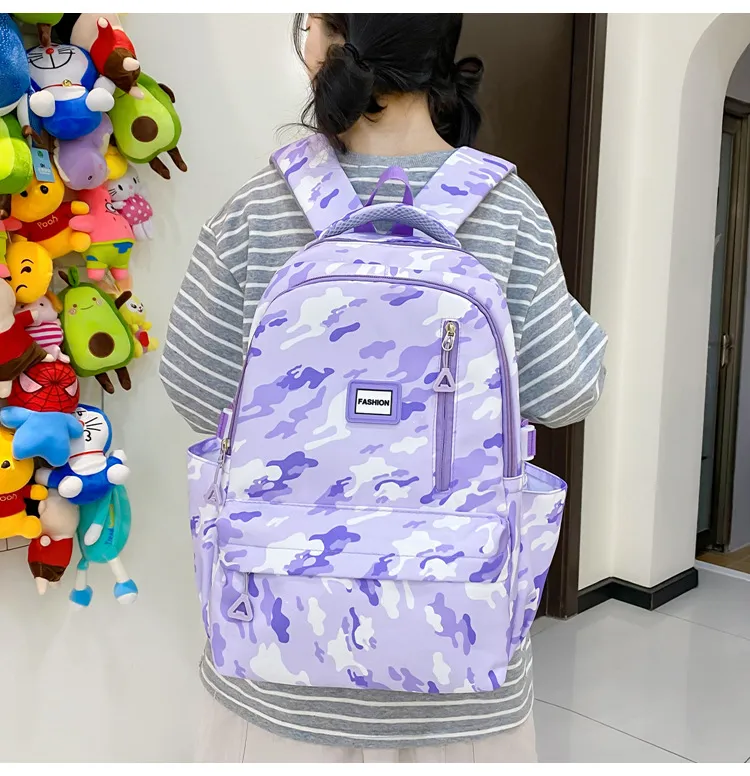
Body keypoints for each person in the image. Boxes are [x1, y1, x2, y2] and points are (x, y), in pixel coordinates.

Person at [161, 13, 607, 764]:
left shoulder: (257, 207)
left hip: (275, 674)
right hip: (462, 676)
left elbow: (195, 391)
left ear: (331, 41)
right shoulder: (509, 210)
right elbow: (568, 392)